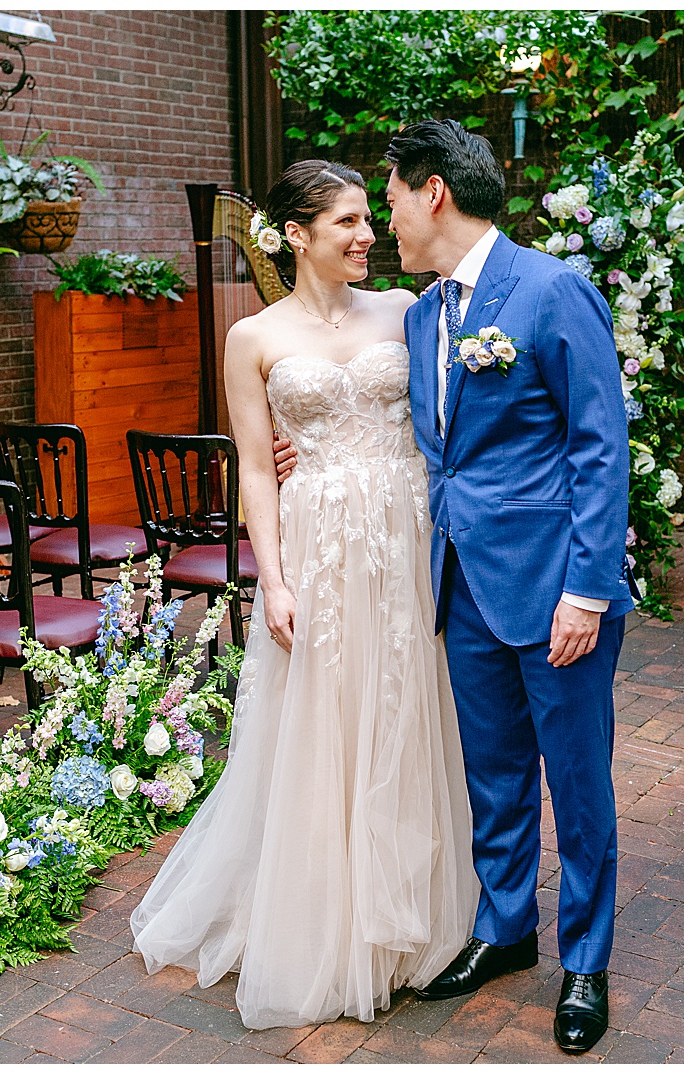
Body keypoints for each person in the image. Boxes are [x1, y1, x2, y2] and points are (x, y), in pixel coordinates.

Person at [129, 159, 479, 1030]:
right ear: (296, 235)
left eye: (370, 219)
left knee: (406, 708)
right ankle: (327, 919)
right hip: (319, 541)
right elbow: (255, 464)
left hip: (406, 532)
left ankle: (413, 912)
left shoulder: (409, 311)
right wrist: (273, 580)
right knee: (328, 719)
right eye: (348, 224)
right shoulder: (252, 337)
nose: (368, 236)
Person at [385, 119, 632, 1055]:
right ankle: (504, 932)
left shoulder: (552, 290)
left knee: (578, 782)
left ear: (434, 191)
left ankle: (587, 962)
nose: (387, 222)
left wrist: (589, 589)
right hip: (465, 587)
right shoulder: (419, 316)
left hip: (556, 590)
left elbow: (599, 448)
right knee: (492, 777)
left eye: (395, 197)